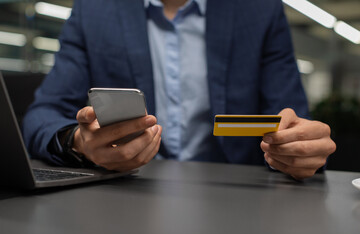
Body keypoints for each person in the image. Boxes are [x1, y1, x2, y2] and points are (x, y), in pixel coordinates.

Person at [22, 0, 336, 180]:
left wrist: (302, 147)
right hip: (126, 190)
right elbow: (42, 115)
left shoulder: (259, 11)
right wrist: (78, 143)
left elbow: (295, 122)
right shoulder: (95, 10)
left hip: (236, 194)